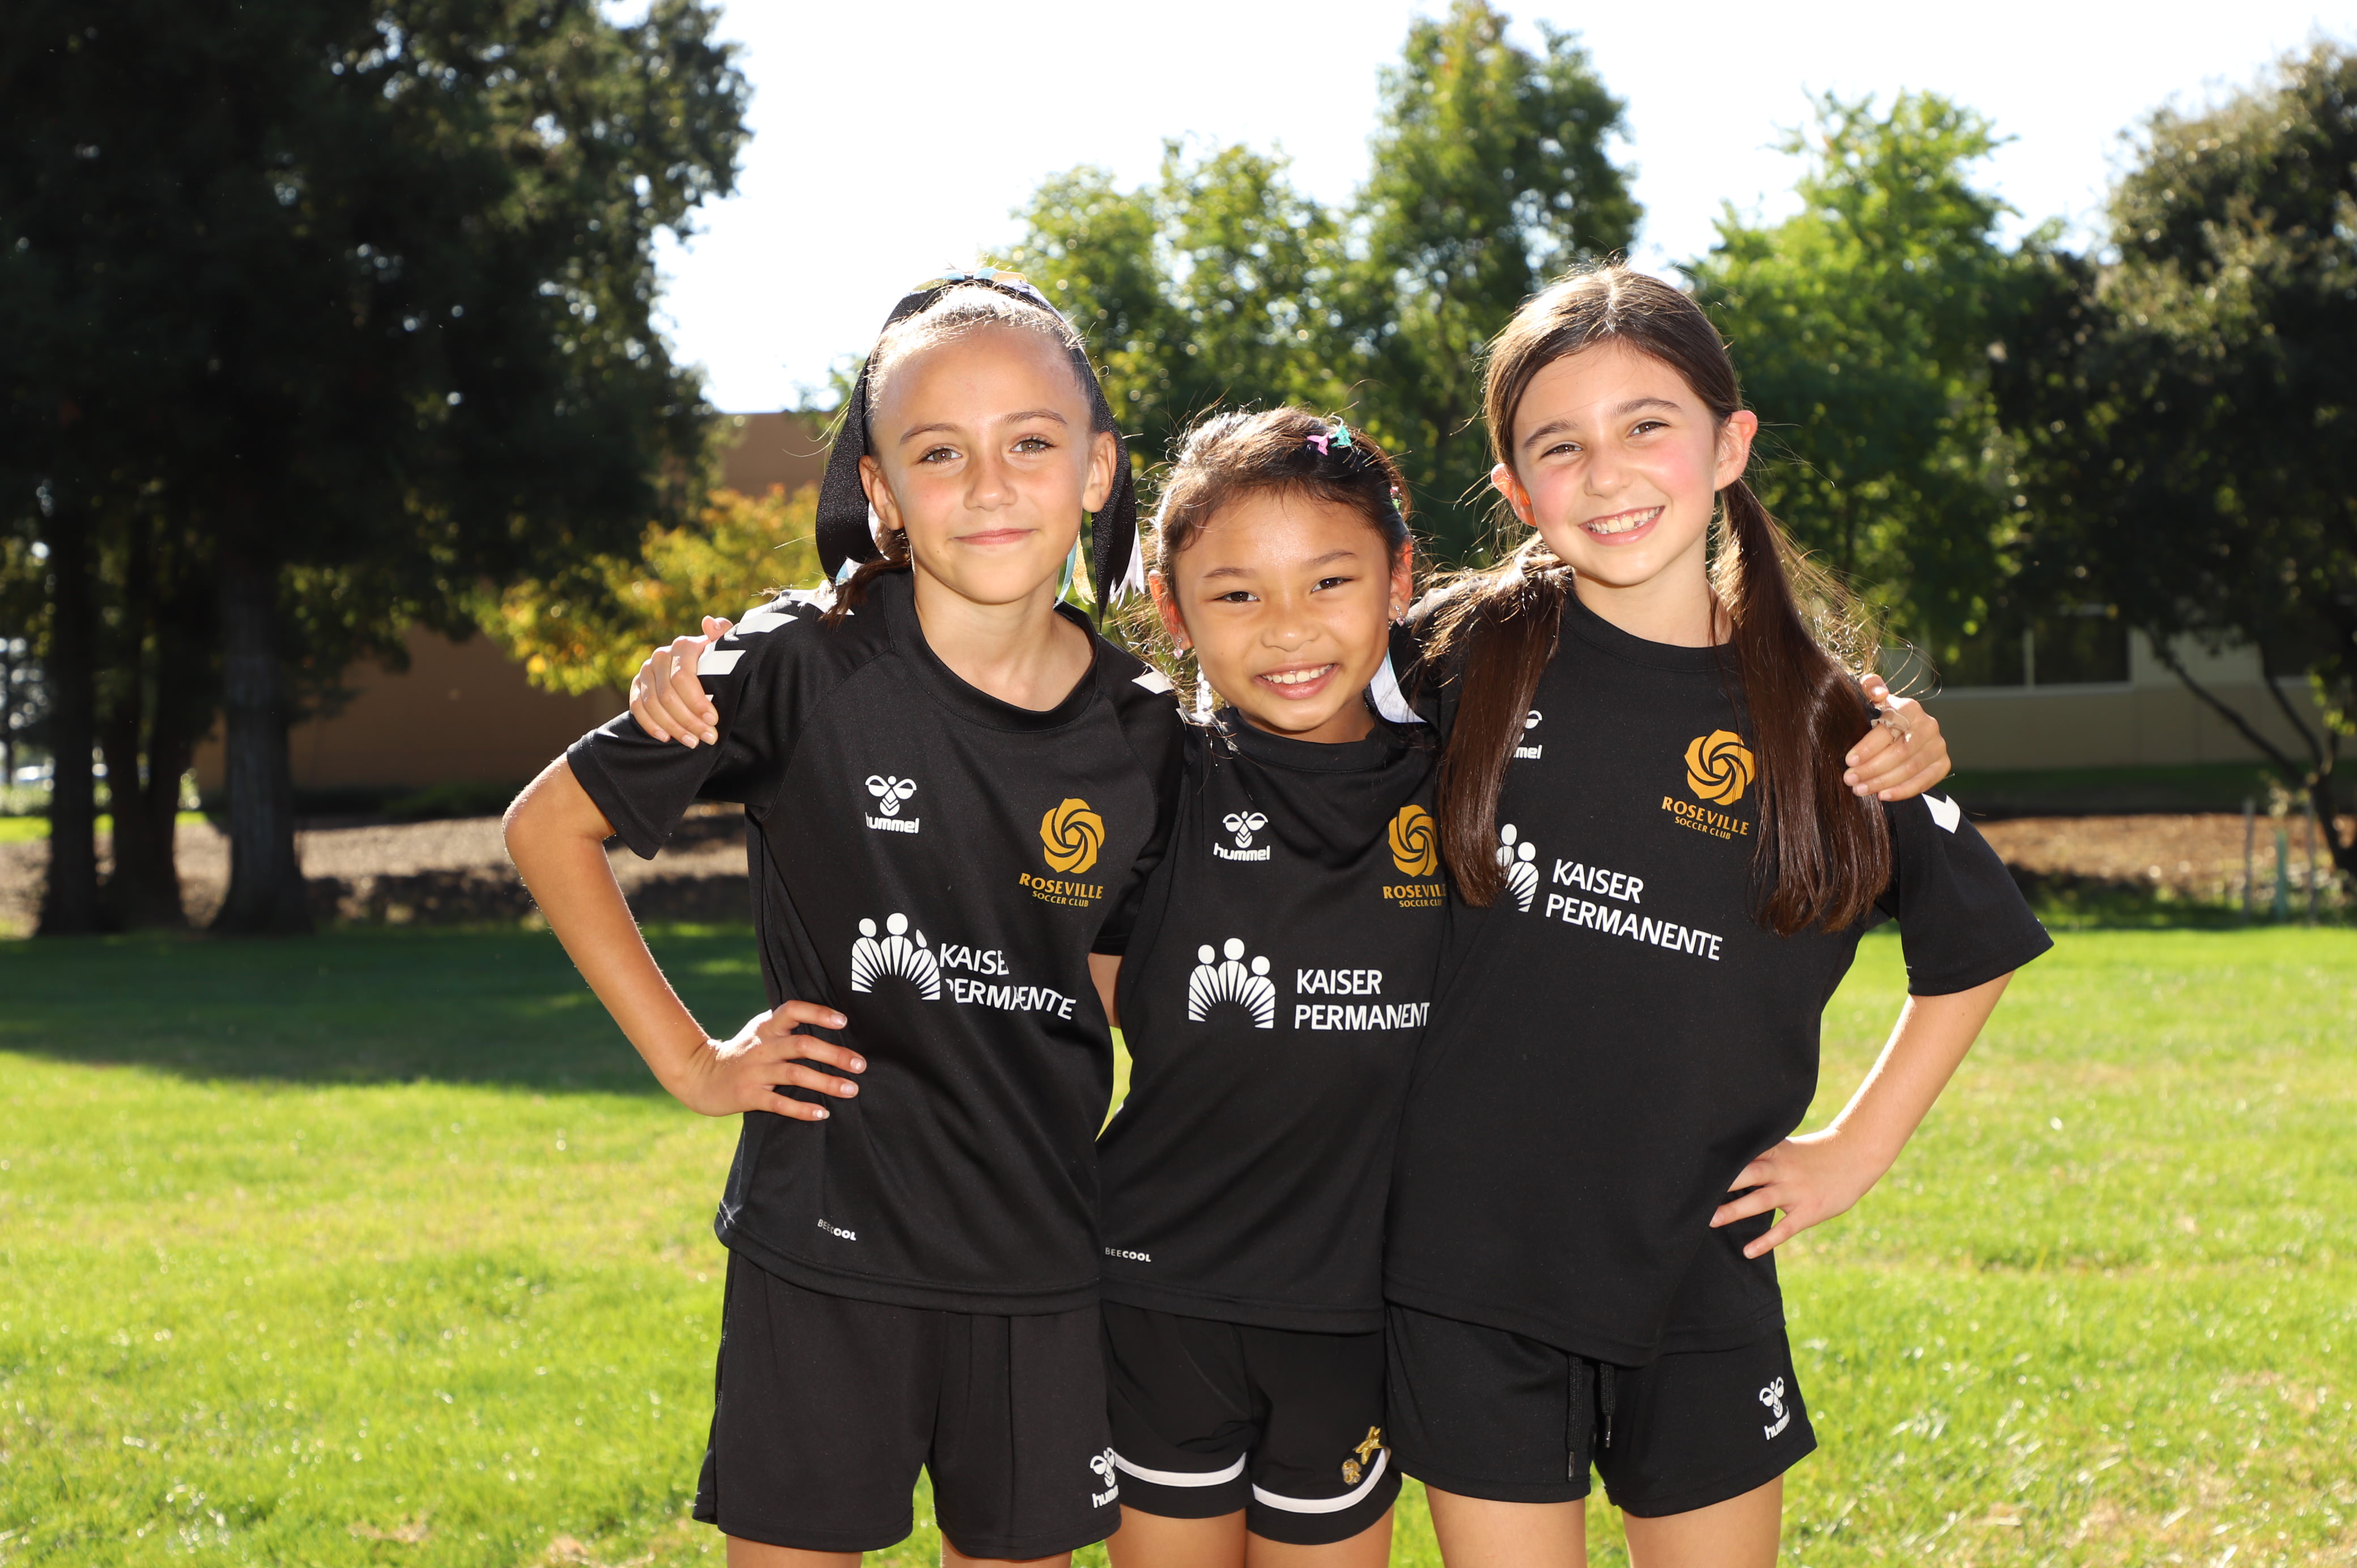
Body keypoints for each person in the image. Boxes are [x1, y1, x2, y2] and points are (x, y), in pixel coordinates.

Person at [628, 396, 1952, 1568]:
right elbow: (981, 786)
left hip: (1360, 1308)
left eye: (1328, 581)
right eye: (1236, 595)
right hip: (1151, 1293)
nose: (1289, 630)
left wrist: (1861, 719)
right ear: (1171, 605)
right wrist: (726, 665)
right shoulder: (1145, 763)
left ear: (1397, 580)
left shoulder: (1465, 752)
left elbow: (1634, 688)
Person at [503, 272, 1185, 1568]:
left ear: (1097, 470)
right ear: (879, 489)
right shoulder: (800, 664)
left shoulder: (1147, 731)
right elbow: (548, 828)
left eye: (1030, 443)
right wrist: (694, 1063)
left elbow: (1107, 984)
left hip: (1042, 1259)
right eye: (939, 452)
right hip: (823, 1247)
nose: (987, 484)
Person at [1379, 266, 2053, 1568]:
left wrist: (1852, 1151)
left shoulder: (1829, 718)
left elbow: (1973, 948)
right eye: (1559, 446)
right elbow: (1272, 712)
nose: (1608, 472)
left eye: (1647, 425)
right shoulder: (1451, 657)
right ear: (1515, 491)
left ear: (1729, 445)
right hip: (1466, 1263)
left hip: (1698, 1263)